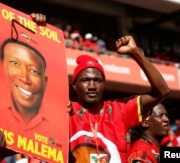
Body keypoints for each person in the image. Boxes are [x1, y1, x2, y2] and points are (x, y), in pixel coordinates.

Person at [68, 35, 170, 163]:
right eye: (85, 80)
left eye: (97, 81)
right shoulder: (66, 110)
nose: (92, 86)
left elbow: (162, 91)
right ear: (74, 86)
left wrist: (135, 53)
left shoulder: (120, 110)